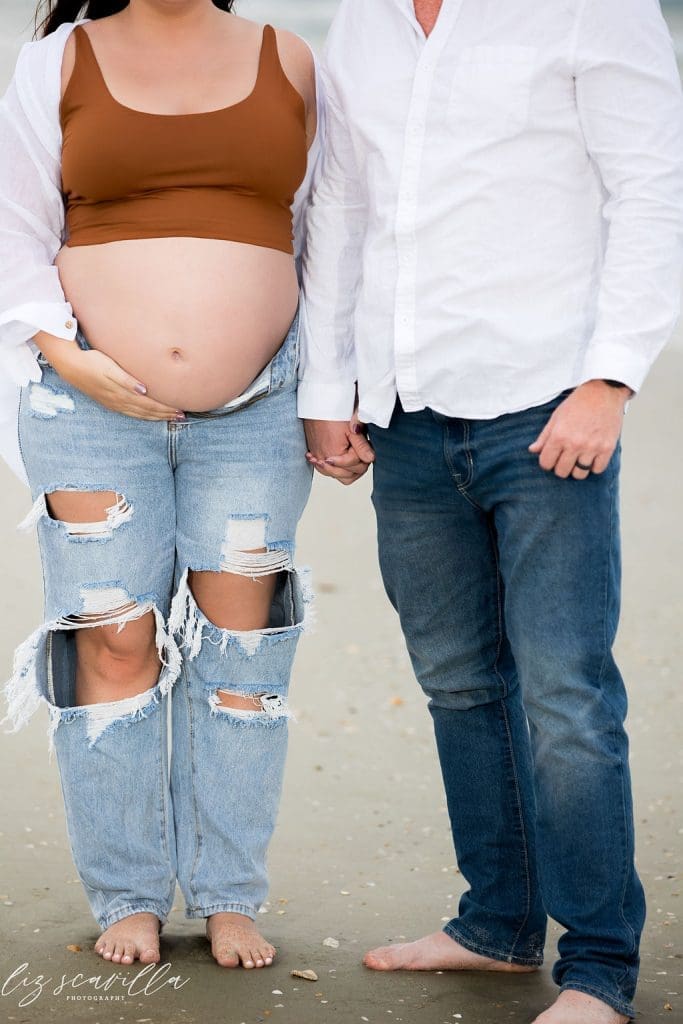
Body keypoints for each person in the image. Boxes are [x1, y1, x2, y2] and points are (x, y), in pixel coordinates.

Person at [300, 1, 683, 1021]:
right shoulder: (365, 23)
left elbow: (652, 188)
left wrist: (609, 380)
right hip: (406, 416)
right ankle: (496, 925)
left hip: (545, 405)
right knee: (459, 683)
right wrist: (326, 386)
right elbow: (338, 206)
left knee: (564, 694)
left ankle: (597, 967)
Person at [0, 0, 323, 972]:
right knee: (110, 639)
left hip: (257, 408)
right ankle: (129, 892)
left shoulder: (291, 60)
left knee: (243, 660)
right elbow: (13, 230)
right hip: (85, 403)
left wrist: (337, 388)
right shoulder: (57, 64)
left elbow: (326, 232)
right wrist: (69, 353)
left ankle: (228, 893)